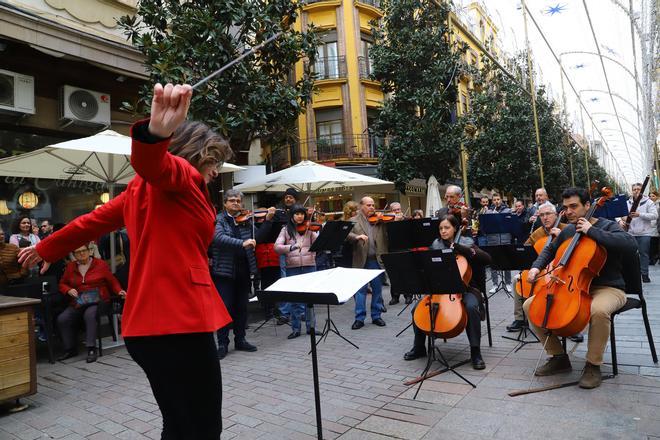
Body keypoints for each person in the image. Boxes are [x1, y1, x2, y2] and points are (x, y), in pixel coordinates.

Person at [20, 82, 232, 438]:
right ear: (199, 154)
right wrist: (155, 132)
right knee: (203, 427)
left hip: (149, 328)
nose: (216, 171)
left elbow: (90, 222)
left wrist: (46, 247)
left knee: (181, 425)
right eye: (215, 162)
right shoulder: (184, 175)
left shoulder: (138, 189)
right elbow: (156, 164)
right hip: (177, 322)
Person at [524, 187, 637, 389]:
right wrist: (535, 267)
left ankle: (593, 365)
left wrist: (591, 231)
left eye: (574, 206)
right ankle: (558, 357)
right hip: (572, 285)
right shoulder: (568, 230)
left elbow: (629, 244)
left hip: (608, 288)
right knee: (530, 305)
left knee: (599, 310)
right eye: (566, 207)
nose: (568, 211)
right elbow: (550, 249)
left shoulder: (608, 226)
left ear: (587, 206)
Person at [403, 214, 491, 369]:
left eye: (447, 228)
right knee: (417, 309)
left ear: (455, 228)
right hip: (441, 289)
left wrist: (461, 249)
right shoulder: (436, 244)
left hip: (467, 289)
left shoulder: (467, 242)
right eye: (441, 228)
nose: (443, 231)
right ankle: (419, 347)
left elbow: (487, 259)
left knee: (470, 308)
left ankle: (475, 351)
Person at [211, 189, 264, 360]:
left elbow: (258, 237)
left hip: (243, 270)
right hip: (224, 272)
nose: (236, 203)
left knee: (242, 308)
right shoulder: (219, 220)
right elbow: (218, 238)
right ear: (225, 203)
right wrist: (242, 243)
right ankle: (222, 344)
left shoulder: (245, 220)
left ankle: (240, 339)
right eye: (232, 200)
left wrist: (267, 222)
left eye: (238, 201)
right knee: (225, 309)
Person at [56, 244, 126, 363]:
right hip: (79, 301)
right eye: (78, 252)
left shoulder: (100, 264)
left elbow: (112, 281)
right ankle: (70, 349)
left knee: (90, 314)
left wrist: (119, 291)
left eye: (84, 250)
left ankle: (91, 348)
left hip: (98, 300)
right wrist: (68, 289)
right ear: (74, 255)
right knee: (63, 318)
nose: (81, 253)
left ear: (89, 251)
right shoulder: (70, 267)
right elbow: (62, 283)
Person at [506, 202, 565, 332]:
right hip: (541, 268)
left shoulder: (566, 229)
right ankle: (520, 319)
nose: (545, 218)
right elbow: (526, 248)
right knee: (518, 279)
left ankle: (569, 323)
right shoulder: (538, 233)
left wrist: (562, 237)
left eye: (548, 214)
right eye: (542, 215)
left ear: (556, 215)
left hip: (562, 269)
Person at [275, 205, 319, 339]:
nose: (300, 216)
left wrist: (315, 231)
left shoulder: (310, 229)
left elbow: (319, 244)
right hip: (292, 267)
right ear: (292, 216)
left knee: (309, 300)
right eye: (297, 214)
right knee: (294, 300)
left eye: (302, 214)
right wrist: (292, 247)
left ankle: (311, 327)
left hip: (309, 266)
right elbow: (277, 247)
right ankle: (295, 329)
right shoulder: (285, 230)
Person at [346, 196, 388, 329]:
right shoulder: (353, 220)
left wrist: (388, 221)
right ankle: (359, 318)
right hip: (361, 260)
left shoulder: (380, 220)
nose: (372, 208)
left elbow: (390, 233)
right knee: (360, 291)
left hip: (375, 260)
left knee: (377, 290)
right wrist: (356, 236)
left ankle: (376, 316)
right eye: (369, 205)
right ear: (361, 206)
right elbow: (346, 234)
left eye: (373, 205)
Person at [619, 182, 657, 283]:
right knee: (630, 254)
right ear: (632, 191)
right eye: (634, 189)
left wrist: (640, 214)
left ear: (642, 190)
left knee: (644, 254)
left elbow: (654, 215)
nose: (636, 191)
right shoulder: (627, 203)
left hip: (645, 233)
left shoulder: (648, 202)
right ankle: (633, 275)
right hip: (630, 232)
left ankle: (644, 274)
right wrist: (620, 221)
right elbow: (618, 214)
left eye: (638, 189)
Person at [486, 193, 512, 293]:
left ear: (501, 200)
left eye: (498, 199)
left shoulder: (508, 210)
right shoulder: (488, 212)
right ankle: (495, 284)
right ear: (492, 201)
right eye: (494, 200)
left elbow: (510, 225)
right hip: (492, 240)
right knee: (494, 262)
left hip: (505, 238)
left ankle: (508, 283)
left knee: (506, 261)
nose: (496, 201)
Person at [0, 226, 28, 291]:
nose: (1, 236)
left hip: (16, 282)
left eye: (2, 234)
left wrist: (22, 274)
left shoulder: (13, 247)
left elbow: (24, 261)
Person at [650, 191, 660, 265]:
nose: (651, 197)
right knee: (653, 243)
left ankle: (656, 258)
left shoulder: (658, 204)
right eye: (650, 196)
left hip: (657, 226)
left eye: (653, 196)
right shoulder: (650, 204)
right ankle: (653, 258)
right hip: (652, 227)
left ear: (657, 196)